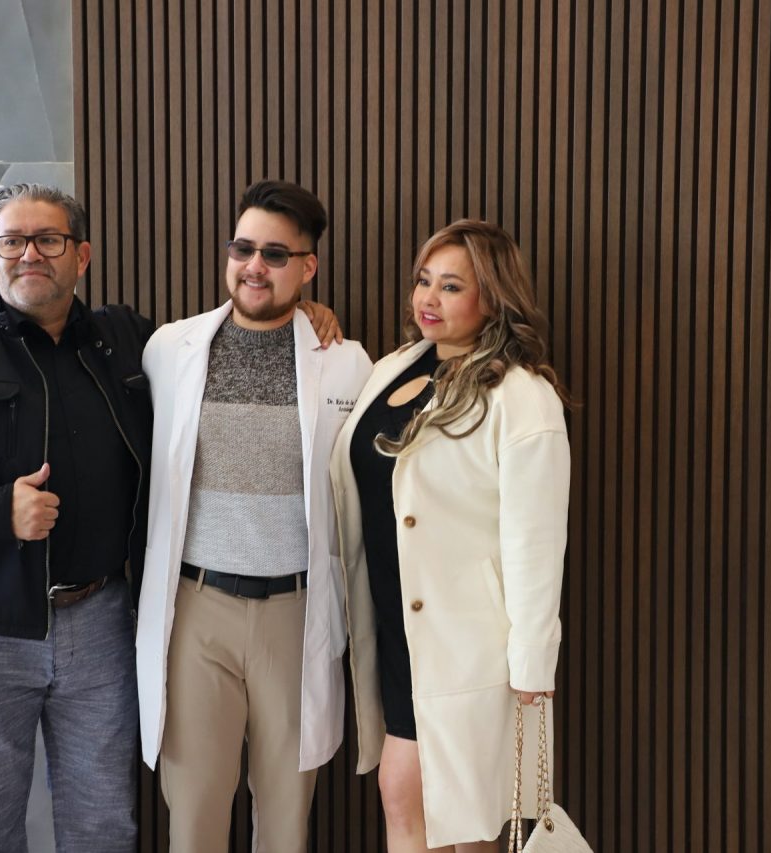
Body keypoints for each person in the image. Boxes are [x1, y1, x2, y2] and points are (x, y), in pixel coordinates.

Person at [0, 182, 340, 852]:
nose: (30, 254)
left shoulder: (129, 342)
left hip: (101, 620)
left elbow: (243, 319)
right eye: (12, 241)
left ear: (81, 255)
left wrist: (302, 313)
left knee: (102, 825)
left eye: (48, 239)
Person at [135, 179, 372, 852]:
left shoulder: (346, 363)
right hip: (195, 608)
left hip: (295, 613)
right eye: (243, 248)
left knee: (286, 821)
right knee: (194, 818)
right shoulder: (169, 349)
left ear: (308, 266)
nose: (254, 266)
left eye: (275, 254)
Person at [329, 219, 572, 851]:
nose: (428, 298)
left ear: (493, 299)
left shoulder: (522, 397)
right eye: (423, 281)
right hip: (398, 631)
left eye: (451, 286)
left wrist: (532, 665)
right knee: (406, 797)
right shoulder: (394, 367)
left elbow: (535, 543)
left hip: (471, 647)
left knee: (459, 820)